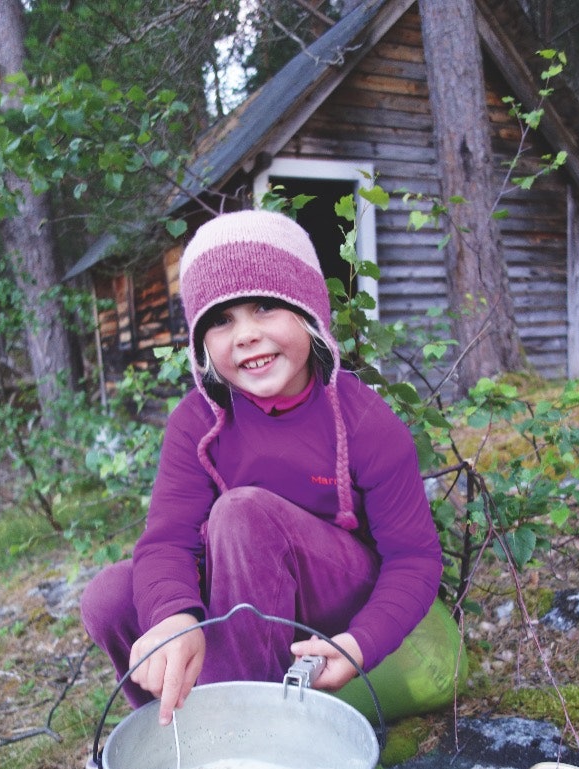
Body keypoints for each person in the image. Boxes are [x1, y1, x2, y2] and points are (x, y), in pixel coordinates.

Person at [81, 209, 443, 729]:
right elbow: (167, 540)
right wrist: (172, 616)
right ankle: (183, 730)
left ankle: (252, 740)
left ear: (310, 313)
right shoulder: (196, 423)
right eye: (221, 320)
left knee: (241, 511)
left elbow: (414, 559)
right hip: (243, 595)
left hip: (337, 597)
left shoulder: (365, 421)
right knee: (111, 598)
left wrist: (360, 643)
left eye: (266, 307)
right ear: (200, 342)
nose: (245, 335)